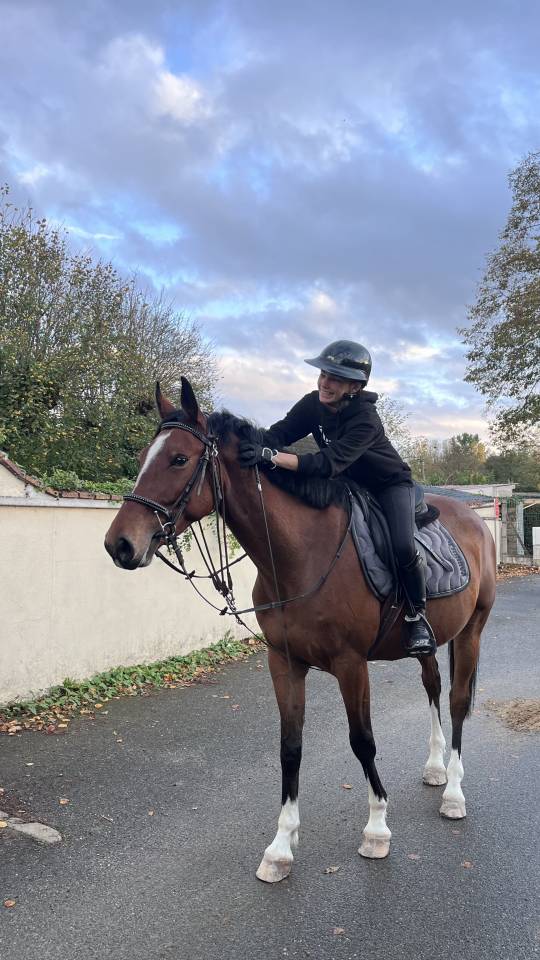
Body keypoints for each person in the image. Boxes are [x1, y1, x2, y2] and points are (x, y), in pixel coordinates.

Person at [238, 339, 436, 657]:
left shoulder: (366, 420)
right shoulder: (312, 404)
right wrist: (235, 439)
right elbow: (277, 434)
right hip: (346, 483)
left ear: (354, 386)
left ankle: (416, 616)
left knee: (400, 544)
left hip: (388, 485)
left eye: (335, 378)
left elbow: (324, 464)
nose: (325, 383)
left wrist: (271, 456)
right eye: (323, 375)